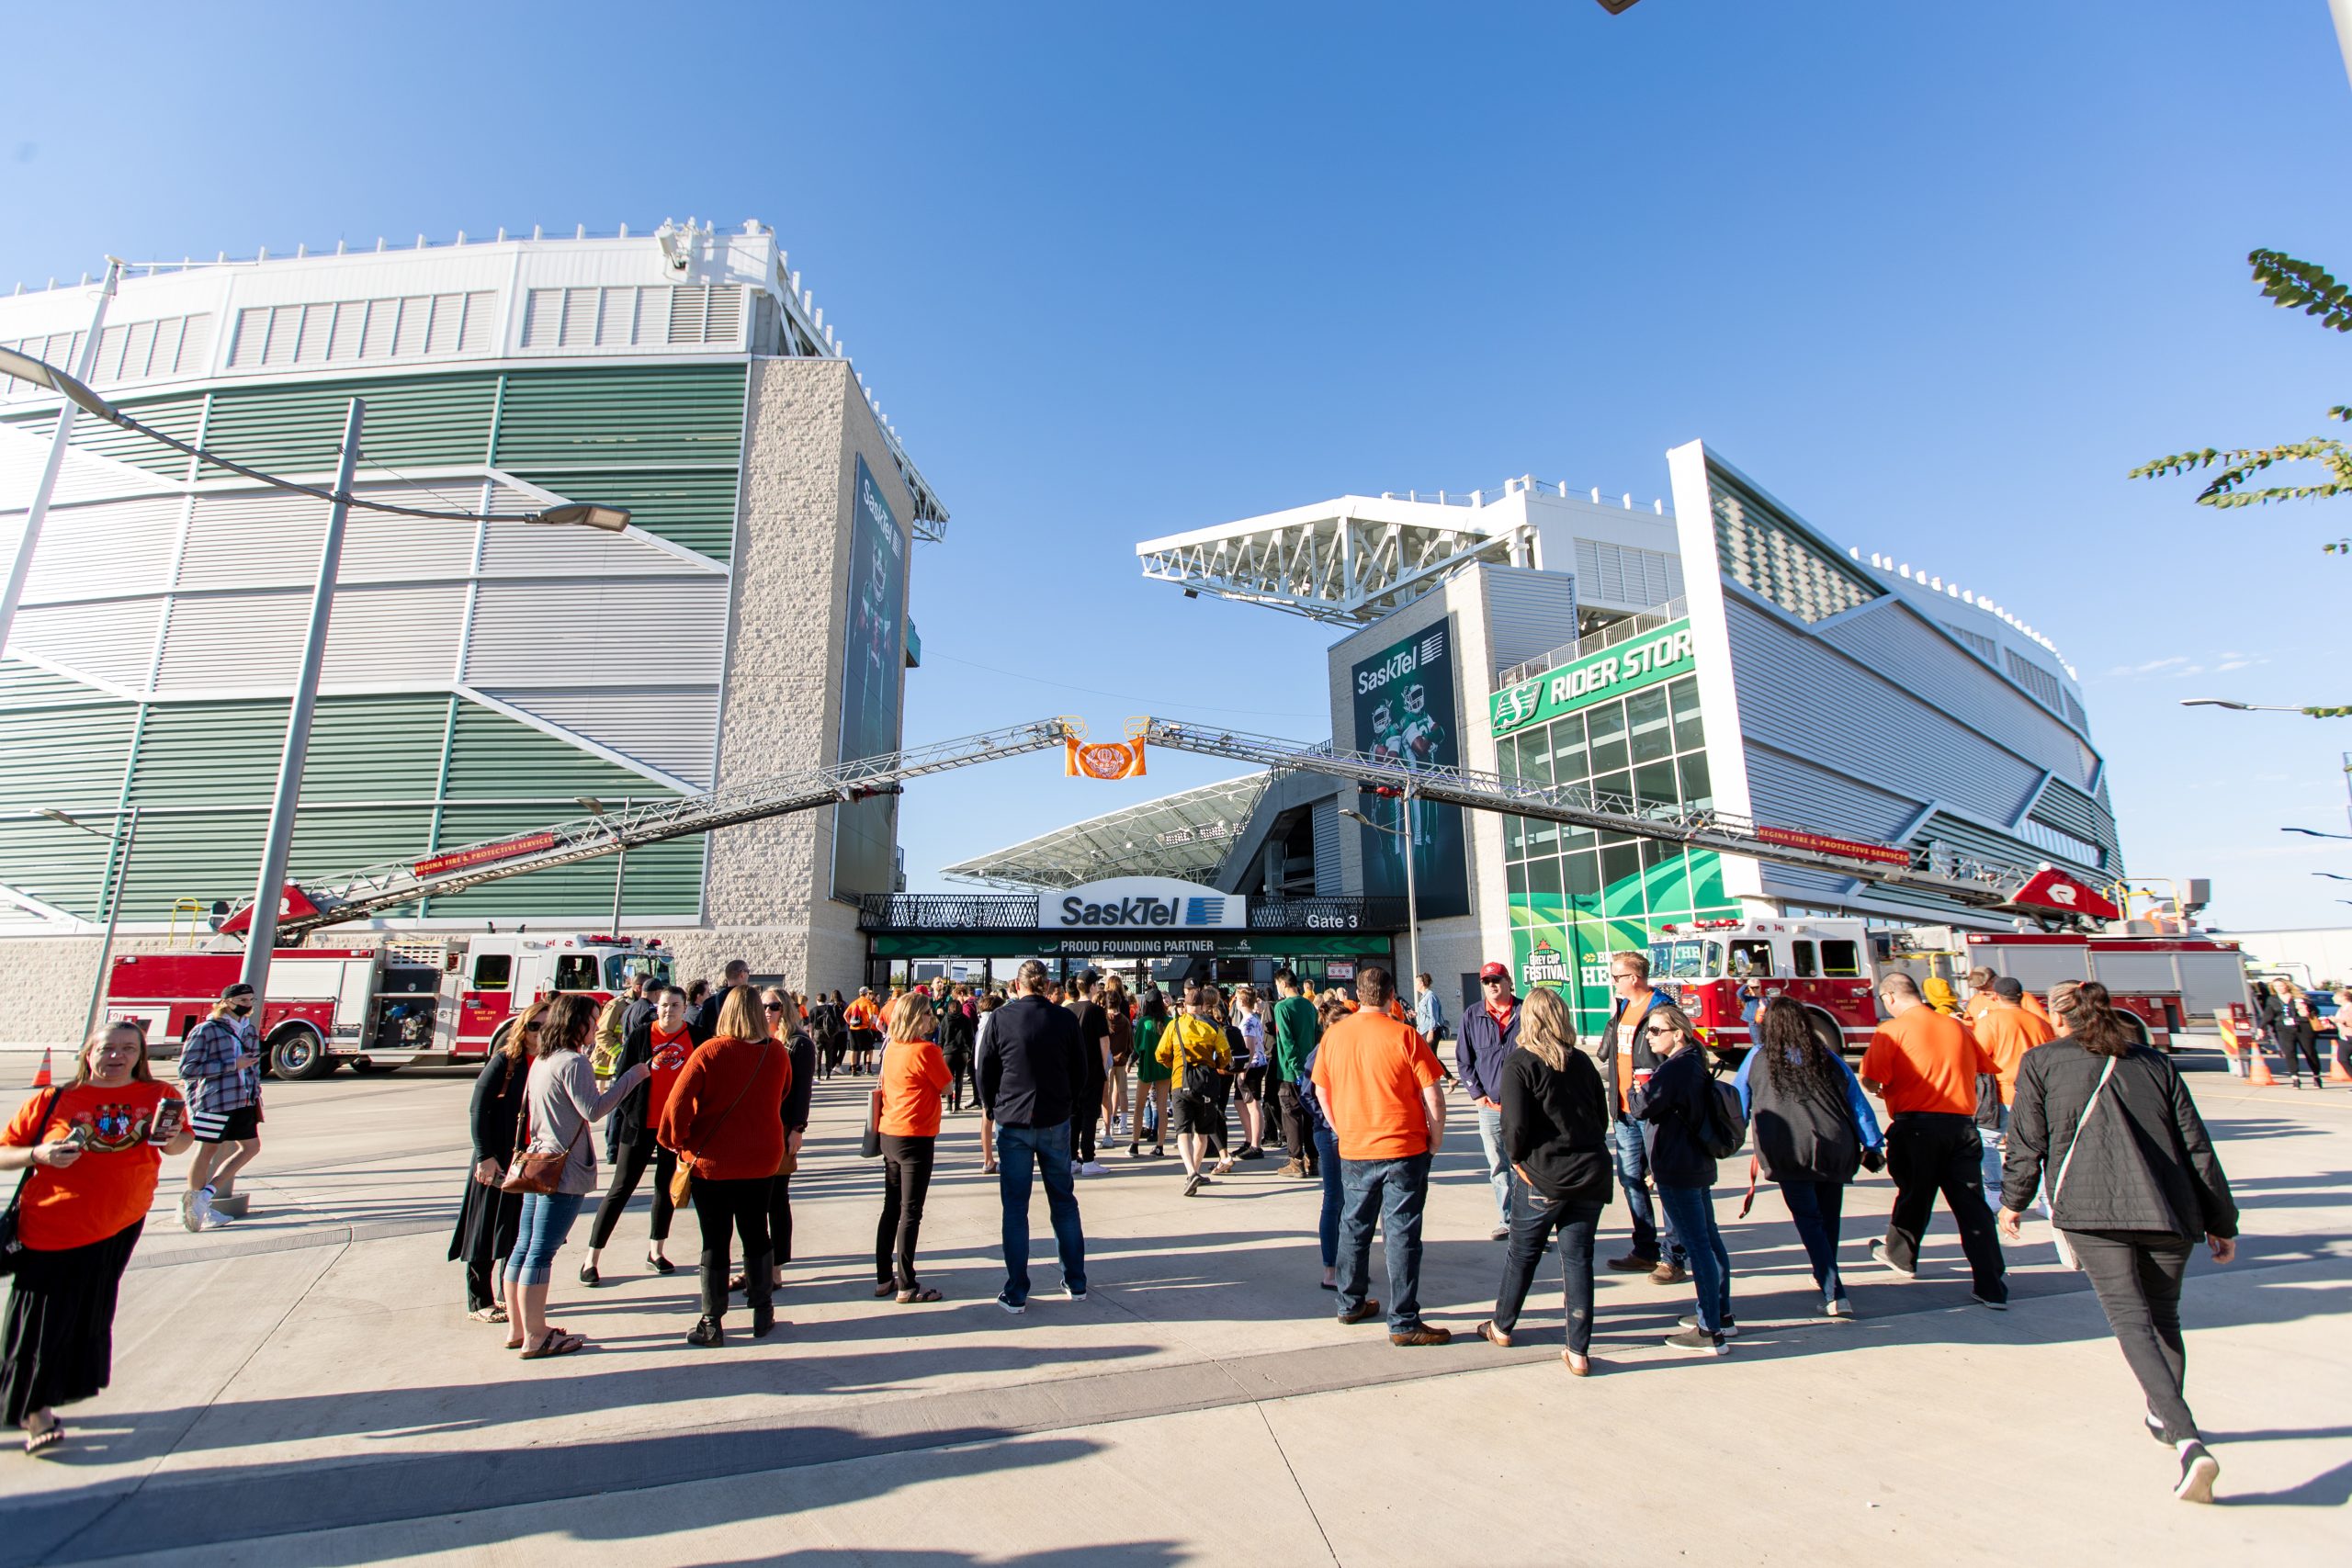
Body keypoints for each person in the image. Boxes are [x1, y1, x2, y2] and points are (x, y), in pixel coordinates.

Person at [1999, 981, 2239, 1504]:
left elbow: (2027, 1140)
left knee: (2131, 1322)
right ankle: (2163, 1412)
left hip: (2090, 1208)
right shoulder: (2154, 1063)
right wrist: (2223, 1220)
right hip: (2168, 1208)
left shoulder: (2041, 1062)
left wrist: (2012, 1201)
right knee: (2164, 1318)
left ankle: (2186, 1438)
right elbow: (2196, 1146)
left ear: (2059, 1017)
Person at [0, 1021, 191, 1451]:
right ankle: (34, 1410)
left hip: (120, 1224)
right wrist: (39, 1154)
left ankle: (51, 1393)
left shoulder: (160, 1095)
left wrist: (168, 1138)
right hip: (53, 1228)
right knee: (41, 1325)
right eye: (106, 1048)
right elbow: (3, 1153)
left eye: (128, 1049)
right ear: (89, 1053)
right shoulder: (56, 1100)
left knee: (86, 1316)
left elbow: (181, 1145)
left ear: (140, 1056)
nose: (116, 1056)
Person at [504, 994, 650, 1358]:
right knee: (541, 1251)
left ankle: (519, 1328)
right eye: (594, 1020)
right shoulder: (573, 1062)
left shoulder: (543, 1059)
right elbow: (594, 1109)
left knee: (524, 1246)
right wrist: (631, 1077)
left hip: (538, 1162)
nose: (598, 1027)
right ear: (578, 1023)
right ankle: (537, 1335)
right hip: (563, 1169)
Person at [1475, 987, 1611, 1373]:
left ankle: (1502, 1326)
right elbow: (1600, 1120)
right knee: (1578, 1260)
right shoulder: (1582, 1062)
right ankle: (1579, 1350)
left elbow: (1513, 1127)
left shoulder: (1521, 1062)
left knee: (1523, 1253)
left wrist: (1517, 1160)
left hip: (1543, 1175)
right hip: (1588, 1172)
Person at [1314, 964, 1450, 1347]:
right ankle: (1404, 1320)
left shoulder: (1335, 1036)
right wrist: (1435, 1139)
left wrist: (1340, 1126)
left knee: (1354, 1225)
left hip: (1356, 1146)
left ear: (1357, 994)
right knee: (1402, 1232)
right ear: (1392, 995)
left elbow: (1320, 1089)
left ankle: (1349, 1302)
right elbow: (1433, 1095)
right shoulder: (1406, 1036)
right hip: (1404, 1146)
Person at [1861, 972, 2007, 1308]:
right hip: (1960, 1126)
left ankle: (1902, 1256)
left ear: (1890, 998)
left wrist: (1879, 1090)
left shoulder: (1891, 1031)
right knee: (1973, 1208)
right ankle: (1991, 1286)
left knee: (1914, 1195)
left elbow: (1871, 1078)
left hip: (1916, 1126)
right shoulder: (1955, 1026)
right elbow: (1982, 1067)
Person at [1735, 996, 1883, 1318]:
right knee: (1828, 1220)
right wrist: (1873, 1144)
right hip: (1835, 1146)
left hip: (1789, 1150)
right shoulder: (1827, 1056)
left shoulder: (1758, 1058)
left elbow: (1736, 1102)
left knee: (1809, 1221)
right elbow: (1857, 1103)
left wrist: (1729, 1138)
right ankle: (1826, 1275)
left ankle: (1833, 1289)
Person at [658, 985, 789, 1346]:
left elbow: (676, 1107)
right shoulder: (777, 1053)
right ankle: (763, 1311)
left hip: (713, 1160)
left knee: (715, 1239)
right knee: (756, 1232)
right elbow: (783, 1092)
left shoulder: (710, 1051)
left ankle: (712, 1320)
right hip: (761, 1157)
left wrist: (677, 1143)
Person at [975, 959, 1089, 1313]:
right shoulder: (1065, 1019)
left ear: (1017, 985)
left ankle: (1017, 1289)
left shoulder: (1000, 1018)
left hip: (1013, 1122)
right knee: (1064, 1203)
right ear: (1046, 985)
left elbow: (985, 1070)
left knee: (1015, 1207)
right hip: (1055, 1120)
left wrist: (992, 1108)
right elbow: (1081, 1072)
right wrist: (1066, 1103)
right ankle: (1075, 1280)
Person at [1637, 1003, 1734, 1354]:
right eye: (1648, 1031)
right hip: (1694, 1162)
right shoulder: (1692, 1062)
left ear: (1678, 1033)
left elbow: (1640, 1106)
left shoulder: (1676, 1069)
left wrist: (1639, 1089)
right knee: (1708, 1239)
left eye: (1656, 1031)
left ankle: (1710, 1329)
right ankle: (1719, 1314)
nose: (1649, 1037)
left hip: (1679, 1166)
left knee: (1699, 1246)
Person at [580, 984, 693, 1284]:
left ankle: (656, 1251)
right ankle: (591, 1257)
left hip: (674, 1127)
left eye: (675, 1006)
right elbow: (623, 1078)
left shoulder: (695, 1036)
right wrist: (630, 1112)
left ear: (684, 1008)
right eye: (665, 1005)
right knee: (621, 1188)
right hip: (639, 1123)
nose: (669, 1011)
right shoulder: (641, 1035)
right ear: (658, 1006)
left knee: (665, 1188)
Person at [1594, 952, 1684, 1284]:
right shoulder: (1620, 1010)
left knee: (1665, 1181)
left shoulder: (1662, 1010)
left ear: (1635, 977)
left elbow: (1678, 1057)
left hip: (1654, 1112)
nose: (1613, 982)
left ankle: (1673, 1256)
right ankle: (1645, 1249)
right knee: (1630, 1180)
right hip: (1623, 1110)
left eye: (1616, 976)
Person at [451, 998, 540, 1321]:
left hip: (530, 1159)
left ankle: (510, 1293)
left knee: (518, 1231)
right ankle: (479, 1301)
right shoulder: (507, 1060)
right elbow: (478, 1108)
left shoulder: (546, 1061)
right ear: (522, 1028)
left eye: (546, 1026)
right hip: (497, 1157)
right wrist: (484, 1156)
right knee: (484, 1228)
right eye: (533, 1026)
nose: (539, 1032)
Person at [874, 989, 952, 1303]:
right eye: (927, 1014)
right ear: (915, 1017)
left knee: (891, 1207)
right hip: (916, 1134)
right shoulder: (925, 1050)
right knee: (911, 1212)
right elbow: (946, 1086)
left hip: (889, 1131)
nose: (932, 1020)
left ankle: (883, 1277)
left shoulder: (891, 1048)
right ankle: (907, 1284)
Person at [178, 982, 264, 1230]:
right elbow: (187, 1069)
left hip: (243, 1100)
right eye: (243, 1001)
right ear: (227, 1001)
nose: (247, 1005)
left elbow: (254, 1066)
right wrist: (232, 1064)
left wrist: (255, 1092)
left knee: (251, 1148)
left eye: (250, 1000)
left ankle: (205, 1196)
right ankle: (195, 1204)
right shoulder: (206, 1030)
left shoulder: (249, 1030)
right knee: (207, 1151)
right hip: (215, 1100)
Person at [1455, 961, 1528, 1242]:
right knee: (1498, 1165)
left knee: (1526, 1165)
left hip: (1525, 1106)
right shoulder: (1473, 1015)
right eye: (1487, 981)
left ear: (1509, 981)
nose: (1492, 985)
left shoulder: (1526, 1012)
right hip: (1491, 1107)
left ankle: (1532, 1224)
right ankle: (1507, 1219)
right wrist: (1477, 1094)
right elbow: (1464, 1060)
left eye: (1497, 979)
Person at [1972, 977, 2056, 1194]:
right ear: (2022, 996)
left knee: (1987, 1141)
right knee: (2040, 1144)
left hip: (2002, 1093)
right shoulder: (2041, 1024)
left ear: (1996, 996)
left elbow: (1978, 1058)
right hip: (2038, 1094)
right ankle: (2047, 1197)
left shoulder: (1990, 1022)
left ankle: (1995, 1190)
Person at [760, 987, 819, 1292]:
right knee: (754, 1202)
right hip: (756, 1129)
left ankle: (776, 1267)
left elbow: (802, 1092)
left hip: (782, 1128)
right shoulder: (761, 1040)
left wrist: (797, 1128)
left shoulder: (799, 1044)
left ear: (785, 1009)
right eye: (763, 1006)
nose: (767, 1011)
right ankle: (755, 1265)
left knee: (776, 1199)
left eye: (774, 1006)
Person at [1158, 987, 1234, 1197]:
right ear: (1202, 1006)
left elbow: (1160, 1053)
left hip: (1180, 1082)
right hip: (1206, 1083)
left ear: (1184, 1007)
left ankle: (1191, 1172)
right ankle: (1196, 1171)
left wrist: (1174, 1066)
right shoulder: (1212, 1026)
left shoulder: (1174, 1026)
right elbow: (1226, 1053)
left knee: (1182, 1131)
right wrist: (1216, 1064)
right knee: (1202, 1132)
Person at [1306, 996, 1354, 1290]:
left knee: (1354, 1201)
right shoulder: (1320, 1052)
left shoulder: (1349, 1051)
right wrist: (1330, 1119)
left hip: (1351, 1131)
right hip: (1331, 1133)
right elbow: (1307, 1093)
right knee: (1335, 1198)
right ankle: (1331, 1268)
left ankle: (1349, 1262)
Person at [1272, 969, 1320, 1179]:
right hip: (1311, 1068)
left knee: (1291, 1116)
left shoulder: (1282, 1007)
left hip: (1291, 1072)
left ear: (1282, 984)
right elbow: (1318, 1035)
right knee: (1310, 1116)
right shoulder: (1309, 1006)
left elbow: (1286, 1040)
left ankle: (1296, 1161)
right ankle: (1313, 1159)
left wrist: (1296, 1068)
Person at [1068, 979, 1111, 1175]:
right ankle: (1089, 1159)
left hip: (1072, 1070)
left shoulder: (1069, 1010)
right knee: (1090, 1115)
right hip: (1092, 1069)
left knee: (1073, 1115)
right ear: (1092, 987)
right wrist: (1102, 1067)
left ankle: (1071, 1157)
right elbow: (1104, 1041)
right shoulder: (1095, 1011)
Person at [1130, 987, 1171, 1159]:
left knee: (1139, 1106)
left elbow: (1138, 1047)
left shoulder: (1144, 1022)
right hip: (1164, 1067)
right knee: (1162, 1106)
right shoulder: (1169, 1021)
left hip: (1147, 1067)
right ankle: (1160, 1145)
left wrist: (1130, 1062)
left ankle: (1134, 1144)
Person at [1232, 984, 1270, 1158]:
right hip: (1256, 1064)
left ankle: (1255, 1145)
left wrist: (1242, 1071)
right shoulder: (1252, 1018)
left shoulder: (1247, 1022)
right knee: (1240, 1102)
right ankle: (1249, 1140)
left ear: (1241, 1001)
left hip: (1252, 1067)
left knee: (1253, 1105)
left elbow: (1249, 1050)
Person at [2265, 976, 2324, 1088]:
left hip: (2303, 1027)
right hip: (2284, 1029)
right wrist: (2261, 1027)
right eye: (2276, 986)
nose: (2279, 988)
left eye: (2281, 986)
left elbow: (2315, 1010)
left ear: (2287, 986)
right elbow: (2268, 1014)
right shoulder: (2272, 999)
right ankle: (2295, 1078)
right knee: (2290, 1053)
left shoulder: (2299, 997)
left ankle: (2316, 1076)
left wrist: (2306, 1009)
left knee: (2310, 1052)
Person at [592, 971, 647, 1081]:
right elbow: (602, 1034)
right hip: (612, 1063)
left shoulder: (642, 1006)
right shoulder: (617, 1005)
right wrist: (621, 1053)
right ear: (639, 988)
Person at [1102, 976, 1134, 1141]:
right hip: (1121, 1059)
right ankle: (1123, 1124)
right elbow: (1131, 1042)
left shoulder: (1103, 1019)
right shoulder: (1125, 1020)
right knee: (1122, 1092)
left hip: (1107, 1059)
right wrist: (1128, 1055)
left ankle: (1108, 1126)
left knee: (1106, 1094)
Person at [691, 960, 751, 1043]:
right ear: (742, 974)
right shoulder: (750, 999)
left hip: (717, 1047)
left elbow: (700, 1031)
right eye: (748, 972)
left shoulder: (711, 1002)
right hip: (746, 1047)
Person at [941, 983, 978, 1112]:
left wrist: (941, 1051)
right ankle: (957, 1106)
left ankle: (949, 1105)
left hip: (948, 1052)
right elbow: (970, 1037)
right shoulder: (965, 1020)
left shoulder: (945, 1019)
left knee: (949, 1079)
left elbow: (941, 1038)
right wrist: (970, 1052)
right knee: (959, 1080)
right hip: (962, 1052)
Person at [844, 987, 883, 1076]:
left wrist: (850, 1024)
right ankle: (868, 1069)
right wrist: (869, 1025)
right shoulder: (868, 1003)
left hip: (853, 1029)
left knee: (853, 1050)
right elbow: (871, 1016)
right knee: (869, 1049)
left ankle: (854, 1070)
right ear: (867, 994)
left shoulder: (854, 1003)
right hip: (864, 1028)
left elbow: (845, 1015)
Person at [1414, 972, 1446, 1043]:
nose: (1415, 985)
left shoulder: (1430, 996)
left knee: (1431, 1053)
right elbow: (1427, 1013)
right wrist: (1416, 1014)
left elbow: (1433, 1015)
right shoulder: (1424, 997)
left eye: (1416, 983)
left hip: (1429, 1031)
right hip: (1424, 1030)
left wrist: (1431, 1032)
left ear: (1422, 983)